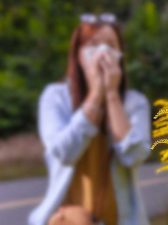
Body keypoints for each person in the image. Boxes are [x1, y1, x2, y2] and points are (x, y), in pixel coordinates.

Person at [28, 13, 151, 225]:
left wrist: (111, 95)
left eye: (111, 45)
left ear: (120, 55)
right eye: (94, 44)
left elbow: (135, 156)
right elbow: (63, 152)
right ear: (78, 54)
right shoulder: (55, 97)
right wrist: (95, 95)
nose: (103, 52)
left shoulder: (135, 103)